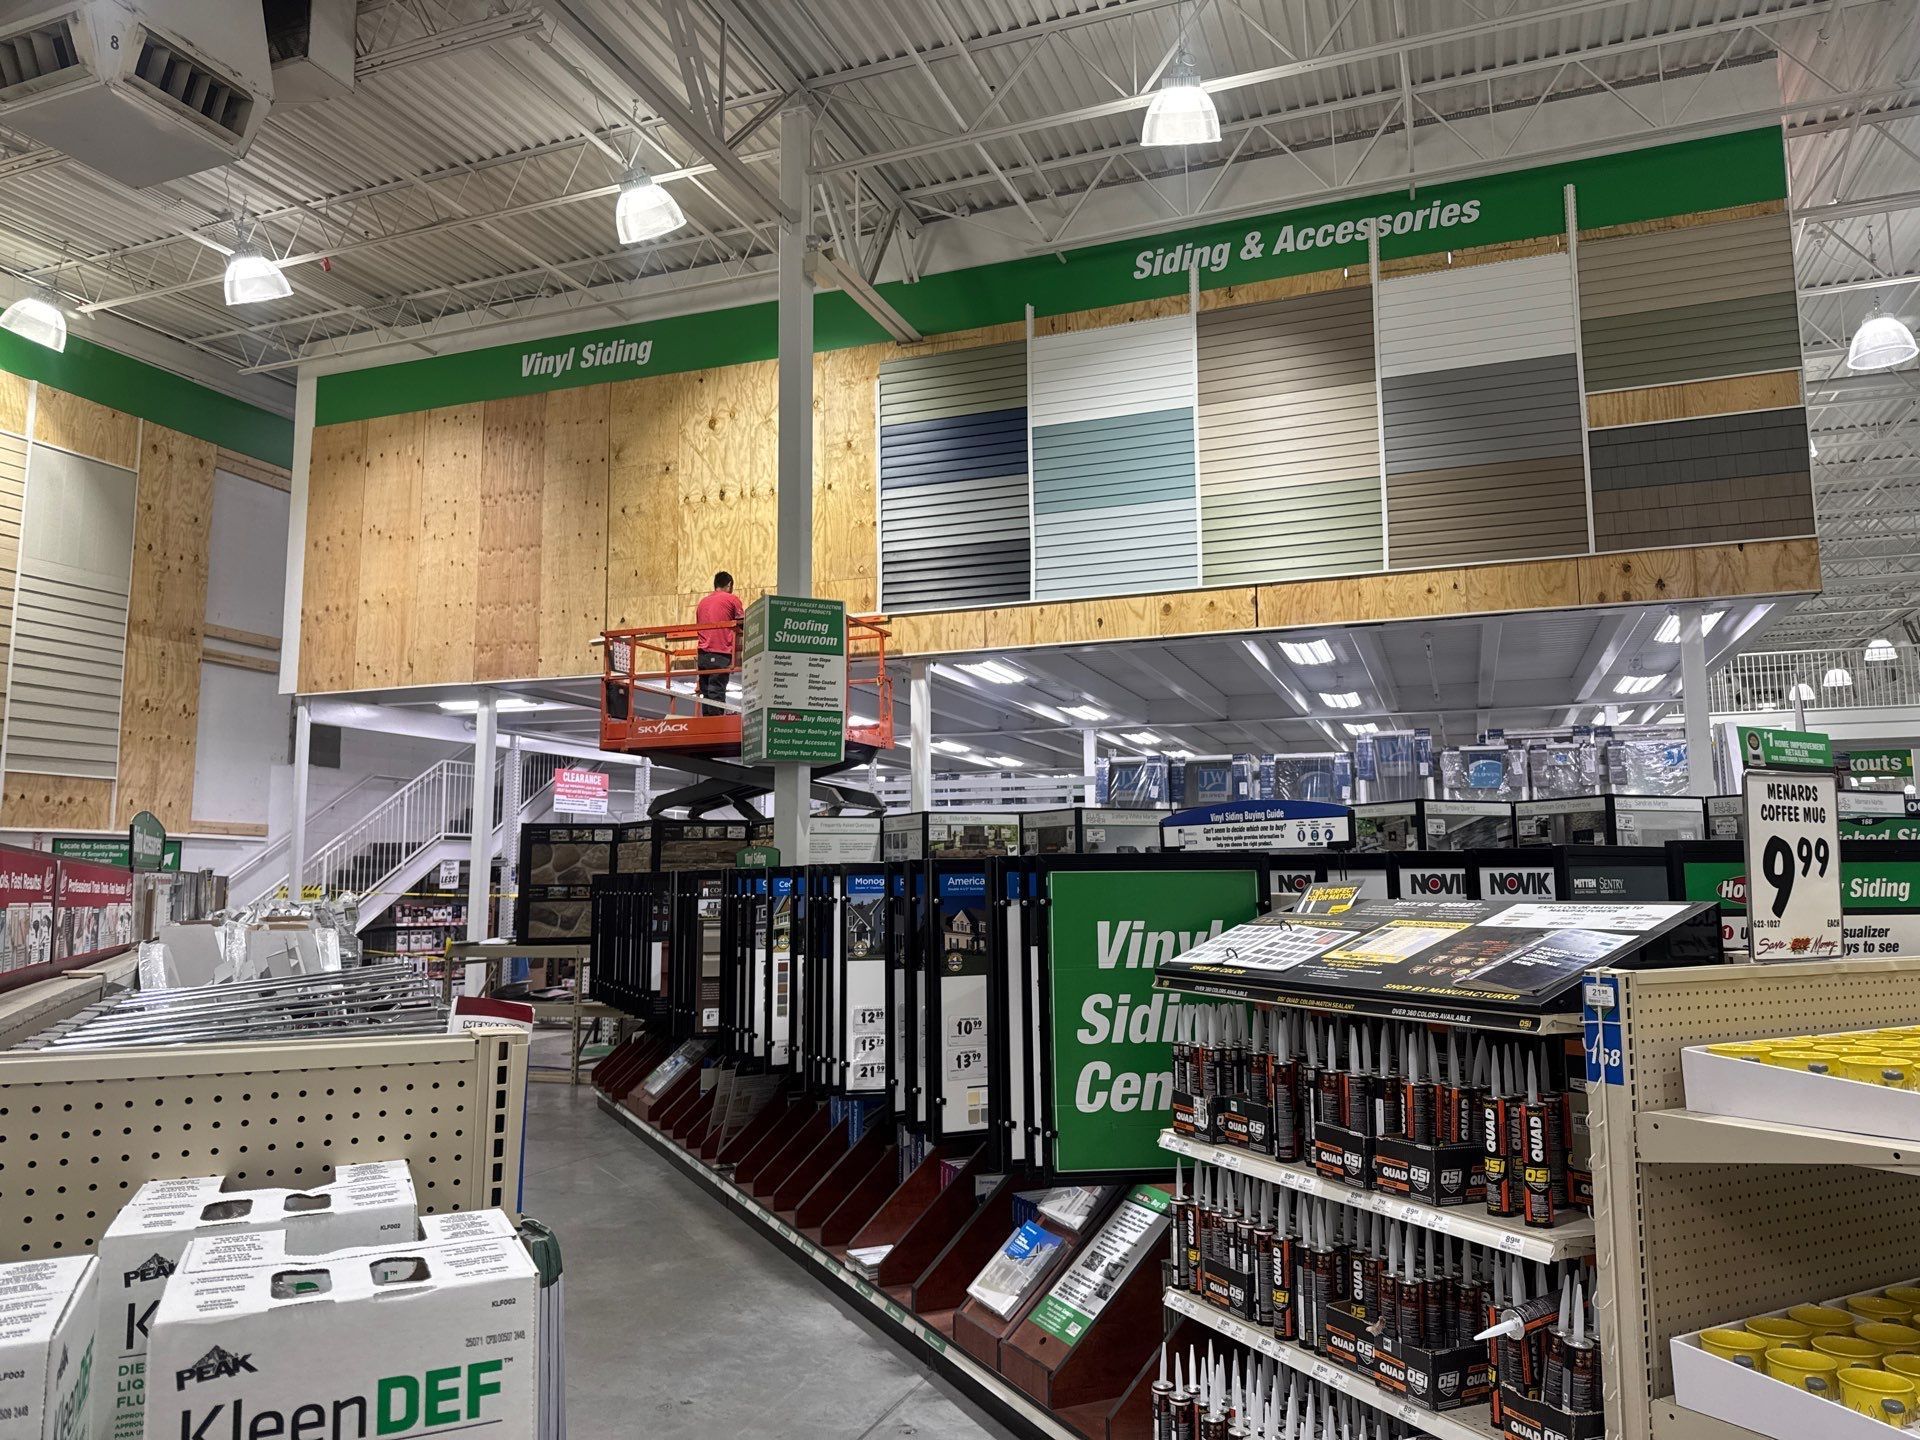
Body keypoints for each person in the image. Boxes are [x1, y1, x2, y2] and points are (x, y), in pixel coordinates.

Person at [694, 571, 745, 716]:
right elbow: (743, 623)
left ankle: (708, 723)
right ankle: (716, 722)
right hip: (720, 651)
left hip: (702, 654)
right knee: (716, 690)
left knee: (706, 692)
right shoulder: (732, 599)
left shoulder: (702, 603)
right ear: (729, 585)